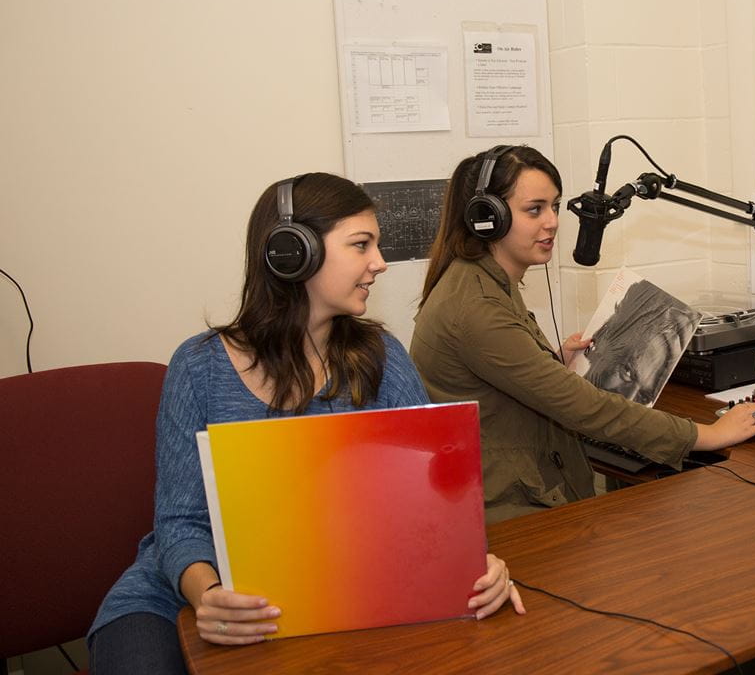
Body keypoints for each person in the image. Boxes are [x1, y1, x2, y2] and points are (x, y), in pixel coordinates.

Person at [88, 173, 524, 675]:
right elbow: (179, 521)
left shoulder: (382, 358)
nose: (379, 263)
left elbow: (438, 498)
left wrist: (476, 563)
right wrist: (208, 595)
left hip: (336, 589)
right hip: (178, 595)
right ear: (292, 253)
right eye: (361, 245)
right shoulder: (198, 367)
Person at [410, 145, 755, 524]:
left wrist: (550, 363)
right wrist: (708, 434)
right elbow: (586, 408)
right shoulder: (477, 306)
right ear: (489, 217)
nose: (552, 221)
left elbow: (495, 385)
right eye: (534, 209)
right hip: (507, 514)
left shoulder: (478, 281)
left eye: (554, 206)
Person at [579, 278, 701, 406]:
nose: (629, 400)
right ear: (602, 335)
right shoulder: (560, 391)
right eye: (627, 371)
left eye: (644, 396)